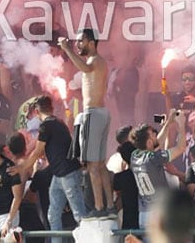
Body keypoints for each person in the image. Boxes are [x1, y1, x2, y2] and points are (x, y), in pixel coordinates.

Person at [8, 95, 85, 243]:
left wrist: (22, 167)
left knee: (79, 214)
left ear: (37, 111)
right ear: (51, 108)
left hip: (67, 173)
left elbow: (37, 151)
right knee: (53, 214)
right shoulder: (59, 123)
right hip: (59, 174)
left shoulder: (46, 126)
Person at [58, 29, 115, 218]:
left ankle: (99, 208)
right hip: (100, 113)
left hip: (94, 114)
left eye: (81, 41)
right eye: (76, 42)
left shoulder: (94, 61)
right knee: (100, 164)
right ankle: (109, 205)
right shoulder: (98, 63)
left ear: (91, 42)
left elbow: (85, 68)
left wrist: (67, 49)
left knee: (92, 165)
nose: (78, 44)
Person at [130, 110, 189, 228]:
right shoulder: (154, 158)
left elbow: (156, 144)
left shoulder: (134, 156)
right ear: (149, 141)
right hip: (160, 213)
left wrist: (168, 123)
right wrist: (181, 125)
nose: (156, 136)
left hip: (144, 215)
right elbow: (181, 147)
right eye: (153, 134)